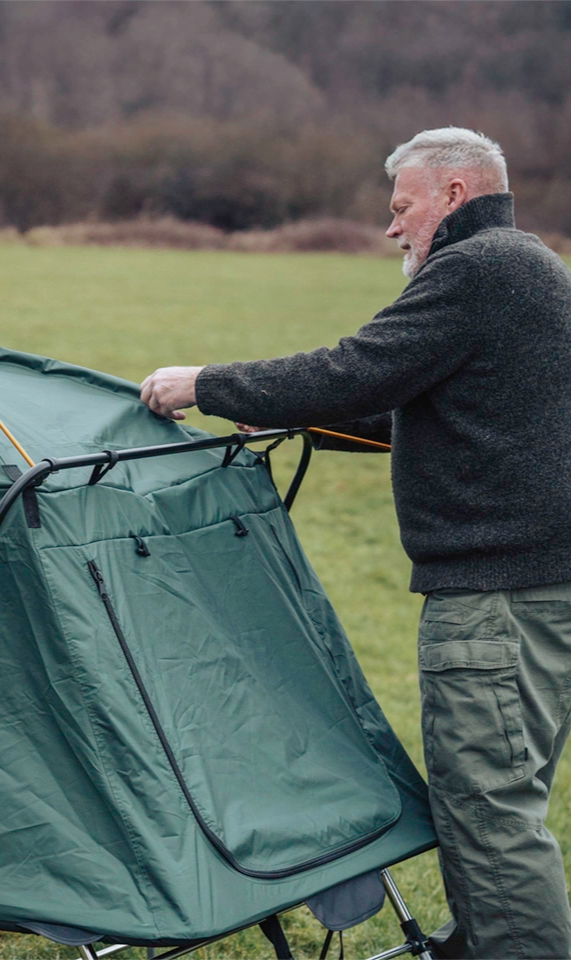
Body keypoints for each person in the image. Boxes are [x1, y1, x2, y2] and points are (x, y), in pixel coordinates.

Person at [140, 127, 571, 960]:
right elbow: (404, 408)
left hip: (496, 602)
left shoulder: (478, 269)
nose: (391, 227)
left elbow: (357, 370)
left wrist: (207, 384)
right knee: (496, 800)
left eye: (400, 206)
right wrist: (282, 412)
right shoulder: (530, 265)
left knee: (486, 806)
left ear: (453, 194)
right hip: (532, 590)